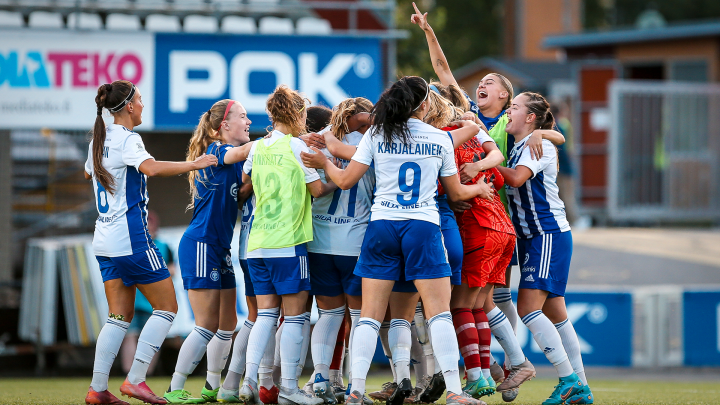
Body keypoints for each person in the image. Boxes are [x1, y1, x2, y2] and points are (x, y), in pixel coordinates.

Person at [301, 76, 491, 405]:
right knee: (439, 313)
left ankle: (356, 390)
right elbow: (457, 192)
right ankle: (456, 394)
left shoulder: (377, 133)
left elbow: (345, 180)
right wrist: (480, 189)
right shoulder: (439, 138)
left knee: (371, 316)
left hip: (383, 226)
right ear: (424, 105)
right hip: (423, 228)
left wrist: (325, 161)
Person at [410, 6, 566, 401]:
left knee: (486, 298)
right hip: (489, 217)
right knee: (484, 299)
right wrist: (428, 31)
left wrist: (546, 133)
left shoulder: (506, 127)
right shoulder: (471, 116)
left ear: (507, 98)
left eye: (491, 82)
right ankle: (495, 365)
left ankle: (500, 364)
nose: (481, 85)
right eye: (479, 82)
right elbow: (444, 69)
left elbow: (551, 134)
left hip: (493, 214)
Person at [84, 80, 218, 405]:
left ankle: (98, 389)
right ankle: (136, 380)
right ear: (128, 106)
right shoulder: (128, 139)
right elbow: (152, 168)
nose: (143, 105)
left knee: (118, 316)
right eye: (140, 100)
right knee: (167, 307)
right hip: (132, 239)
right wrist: (195, 164)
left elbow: (90, 174)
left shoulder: (98, 141)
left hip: (104, 240)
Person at [239, 85, 336, 405]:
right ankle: (290, 389)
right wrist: (340, 175)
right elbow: (318, 190)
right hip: (288, 242)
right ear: (296, 114)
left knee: (265, 316)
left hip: (257, 243)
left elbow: (246, 185)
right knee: (295, 318)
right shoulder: (296, 148)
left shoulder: (257, 147)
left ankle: (249, 381)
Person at [496, 92, 593, 405]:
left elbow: (515, 179)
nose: (509, 111)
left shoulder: (539, 145)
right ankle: (582, 387)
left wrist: (485, 163)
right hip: (536, 238)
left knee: (527, 308)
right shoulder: (525, 142)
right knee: (557, 316)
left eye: (514, 107)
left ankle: (569, 381)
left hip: (546, 235)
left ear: (530, 117)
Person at [164, 99, 254, 404]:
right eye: (243, 117)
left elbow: (239, 193)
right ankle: (174, 388)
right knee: (205, 325)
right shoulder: (217, 150)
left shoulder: (233, 159)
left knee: (228, 324)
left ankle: (211, 387)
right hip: (200, 245)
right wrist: (279, 139)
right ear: (223, 126)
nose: (249, 122)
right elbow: (243, 151)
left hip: (219, 248)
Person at [306, 98, 375, 405]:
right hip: (355, 241)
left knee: (329, 314)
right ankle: (353, 386)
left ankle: (320, 376)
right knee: (360, 317)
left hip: (318, 240)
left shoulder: (314, 143)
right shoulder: (371, 143)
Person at [120, 211, 175, 379]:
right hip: (141, 300)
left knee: (140, 336)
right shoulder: (156, 246)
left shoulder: (133, 245)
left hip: (148, 300)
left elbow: (173, 270)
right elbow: (171, 271)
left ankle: (141, 373)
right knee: (134, 336)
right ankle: (134, 373)